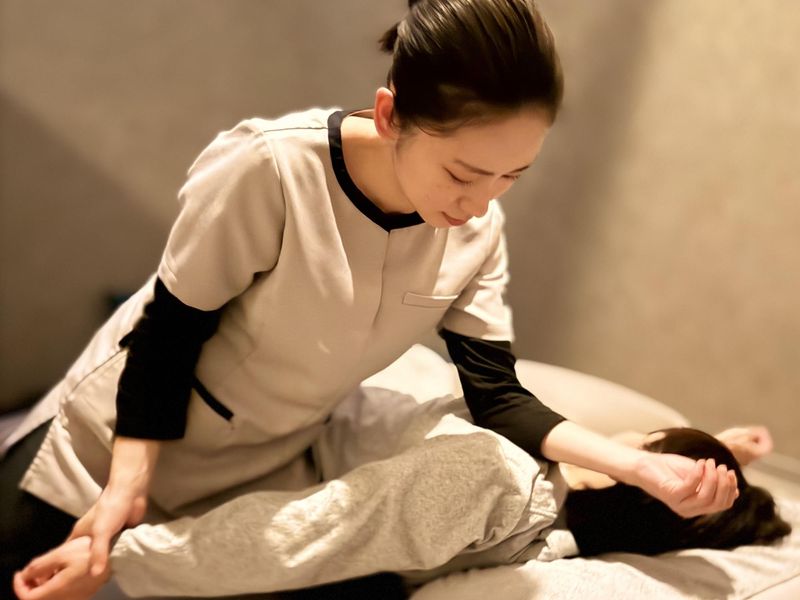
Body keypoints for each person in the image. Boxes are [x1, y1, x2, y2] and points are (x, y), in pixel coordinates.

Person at [1, 0, 740, 597]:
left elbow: (499, 397)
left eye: (511, 176)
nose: (481, 203)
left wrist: (640, 468)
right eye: (463, 173)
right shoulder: (272, 169)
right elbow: (167, 338)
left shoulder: (477, 231)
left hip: (256, 472)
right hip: (113, 444)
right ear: (389, 116)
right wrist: (121, 495)